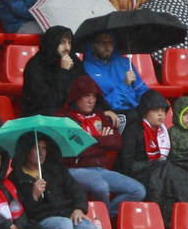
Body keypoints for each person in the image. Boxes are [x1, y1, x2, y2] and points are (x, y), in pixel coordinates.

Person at [57, 75, 147, 211]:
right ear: (76, 96)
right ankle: (101, 223)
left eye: (94, 96)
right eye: (87, 96)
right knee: (101, 187)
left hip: (101, 169)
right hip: (75, 169)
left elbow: (117, 142)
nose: (91, 101)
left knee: (138, 191)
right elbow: (79, 150)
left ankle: (104, 218)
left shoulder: (99, 114)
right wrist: (102, 140)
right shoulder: (63, 117)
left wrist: (91, 138)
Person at [12, 136, 99, 229]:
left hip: (67, 214)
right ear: (26, 150)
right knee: (64, 225)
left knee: (87, 228)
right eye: (36, 148)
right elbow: (21, 212)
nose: (41, 153)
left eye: (44, 148)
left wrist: (79, 209)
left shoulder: (57, 170)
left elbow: (78, 191)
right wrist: (34, 195)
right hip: (40, 219)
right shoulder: (16, 177)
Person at [21, 26, 86, 116]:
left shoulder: (73, 61)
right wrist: (63, 71)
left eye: (69, 43)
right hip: (41, 115)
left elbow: (88, 87)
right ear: (52, 42)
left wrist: (105, 109)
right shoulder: (35, 65)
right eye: (62, 42)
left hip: (69, 112)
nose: (67, 47)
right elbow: (48, 101)